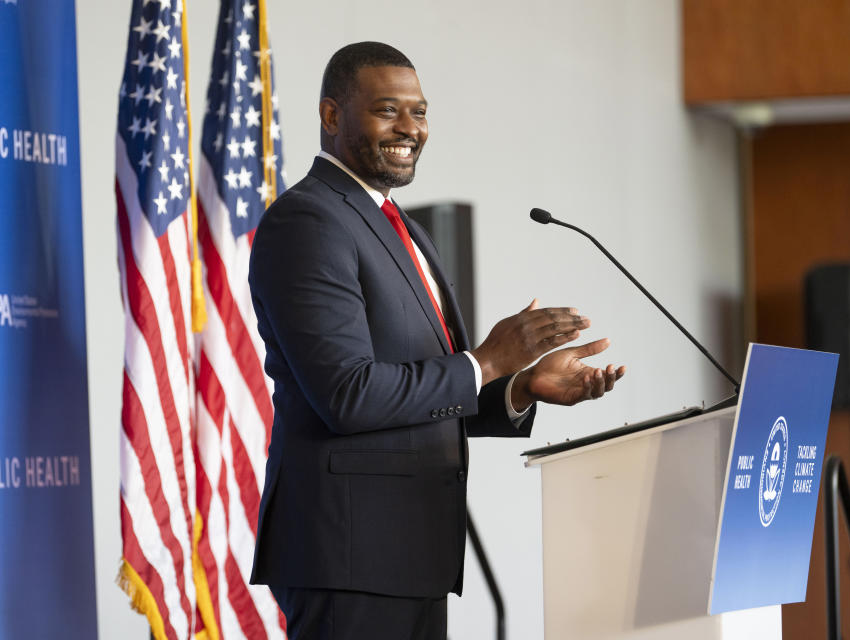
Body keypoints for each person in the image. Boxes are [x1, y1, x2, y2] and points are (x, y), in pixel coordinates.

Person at [247, 41, 624, 640]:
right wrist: (489, 359)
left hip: (411, 551)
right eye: (387, 110)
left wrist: (521, 385)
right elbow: (348, 394)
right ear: (331, 115)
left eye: (419, 112)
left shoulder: (404, 229)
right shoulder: (308, 222)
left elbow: (426, 395)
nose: (409, 129)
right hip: (350, 557)